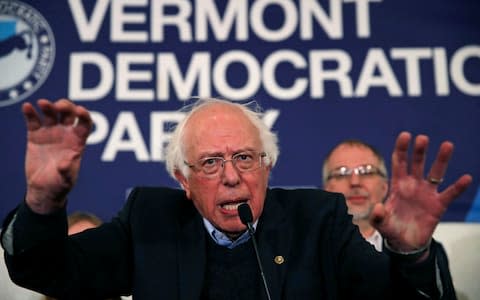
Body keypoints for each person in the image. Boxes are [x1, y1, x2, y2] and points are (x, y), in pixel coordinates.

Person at [0, 98, 472, 299]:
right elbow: (44, 271)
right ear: (183, 180)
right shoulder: (150, 220)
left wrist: (411, 253)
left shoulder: (317, 220)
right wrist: (42, 202)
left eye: (246, 158)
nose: (231, 177)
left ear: (268, 166)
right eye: (209, 163)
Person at [322, 139, 458, 298]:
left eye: (366, 171)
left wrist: (412, 257)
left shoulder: (421, 253)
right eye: (342, 172)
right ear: (326, 189)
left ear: (384, 187)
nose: (355, 182)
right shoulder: (306, 250)